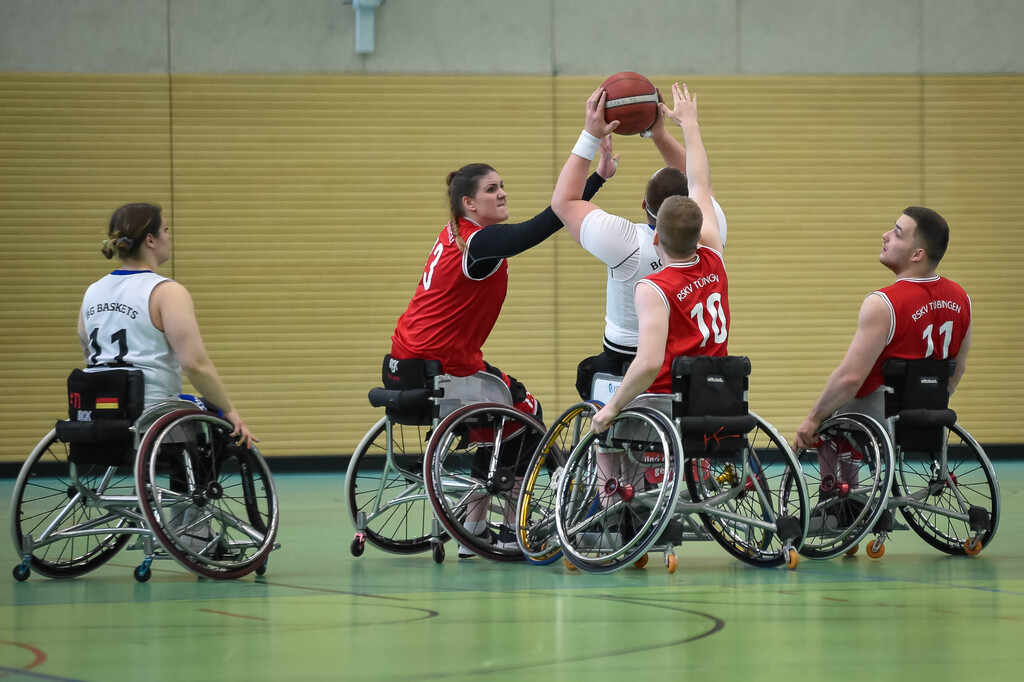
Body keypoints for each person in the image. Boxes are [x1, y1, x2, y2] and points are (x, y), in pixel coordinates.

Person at [386, 155, 617, 557]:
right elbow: (540, 227)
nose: (503, 192)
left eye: (502, 185)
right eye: (492, 189)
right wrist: (593, 179)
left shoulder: (456, 233)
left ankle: (473, 529)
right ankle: (513, 527)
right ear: (469, 204)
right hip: (440, 367)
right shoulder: (480, 241)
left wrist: (596, 179)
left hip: (406, 363)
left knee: (496, 413)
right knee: (524, 410)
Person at [551, 82, 728, 401]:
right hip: (698, 366)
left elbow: (563, 202)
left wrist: (591, 135)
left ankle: (604, 451)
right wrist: (675, 129)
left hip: (635, 361)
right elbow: (702, 183)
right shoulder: (711, 243)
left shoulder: (626, 243)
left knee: (600, 405)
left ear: (646, 208)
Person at [793, 207, 972, 454]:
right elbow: (957, 369)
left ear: (917, 254)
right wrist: (929, 402)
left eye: (897, 233)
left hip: (880, 413)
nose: (885, 235)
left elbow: (851, 379)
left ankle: (840, 490)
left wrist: (813, 418)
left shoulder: (884, 302)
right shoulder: (962, 298)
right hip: (929, 410)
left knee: (826, 419)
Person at [79, 202, 255, 449]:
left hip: (99, 410)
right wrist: (230, 410)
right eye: (166, 229)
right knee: (217, 417)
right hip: (152, 413)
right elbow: (195, 365)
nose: (169, 236)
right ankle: (193, 486)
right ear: (151, 240)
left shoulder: (93, 291)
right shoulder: (166, 292)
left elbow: (89, 354)